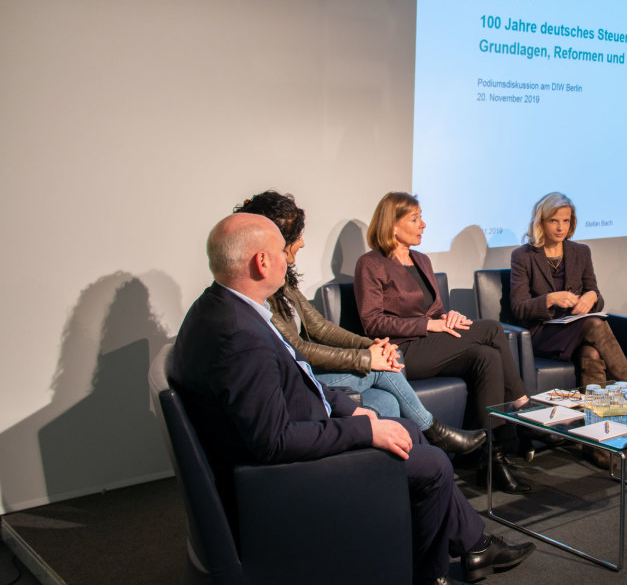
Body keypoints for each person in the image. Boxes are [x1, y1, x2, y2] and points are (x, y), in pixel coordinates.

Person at [169, 213, 534, 585]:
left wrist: (350, 409)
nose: (290, 256)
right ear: (262, 262)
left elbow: (299, 382)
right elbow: (272, 442)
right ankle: (432, 572)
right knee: (434, 465)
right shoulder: (240, 337)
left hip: (294, 441)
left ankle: (473, 544)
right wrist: (362, 430)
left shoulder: (220, 308)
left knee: (407, 427)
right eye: (282, 250)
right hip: (279, 480)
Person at [234, 191, 485, 456]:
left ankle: (397, 470)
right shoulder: (259, 293)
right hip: (300, 381)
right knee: (385, 366)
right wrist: (365, 357)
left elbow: (320, 327)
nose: (303, 243)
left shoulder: (284, 283)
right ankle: (433, 432)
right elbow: (298, 348)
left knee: (386, 396)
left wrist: (372, 345)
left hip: (306, 374)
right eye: (296, 237)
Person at [354, 192, 532, 495]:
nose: (424, 224)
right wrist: (429, 324)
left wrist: (446, 316)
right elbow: (372, 322)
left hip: (430, 343)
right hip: (401, 351)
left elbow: (434, 311)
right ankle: (521, 405)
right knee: (490, 328)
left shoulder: (421, 259)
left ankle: (491, 459)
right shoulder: (371, 264)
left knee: (486, 357)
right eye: (415, 218)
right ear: (393, 226)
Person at [510, 192, 627, 387]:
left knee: (591, 353)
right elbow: (519, 307)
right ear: (540, 222)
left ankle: (595, 412)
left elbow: (594, 292)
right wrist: (550, 299)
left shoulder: (581, 252)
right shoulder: (523, 256)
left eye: (566, 221)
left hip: (576, 327)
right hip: (543, 333)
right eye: (554, 220)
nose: (561, 227)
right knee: (594, 325)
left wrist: (591, 297)